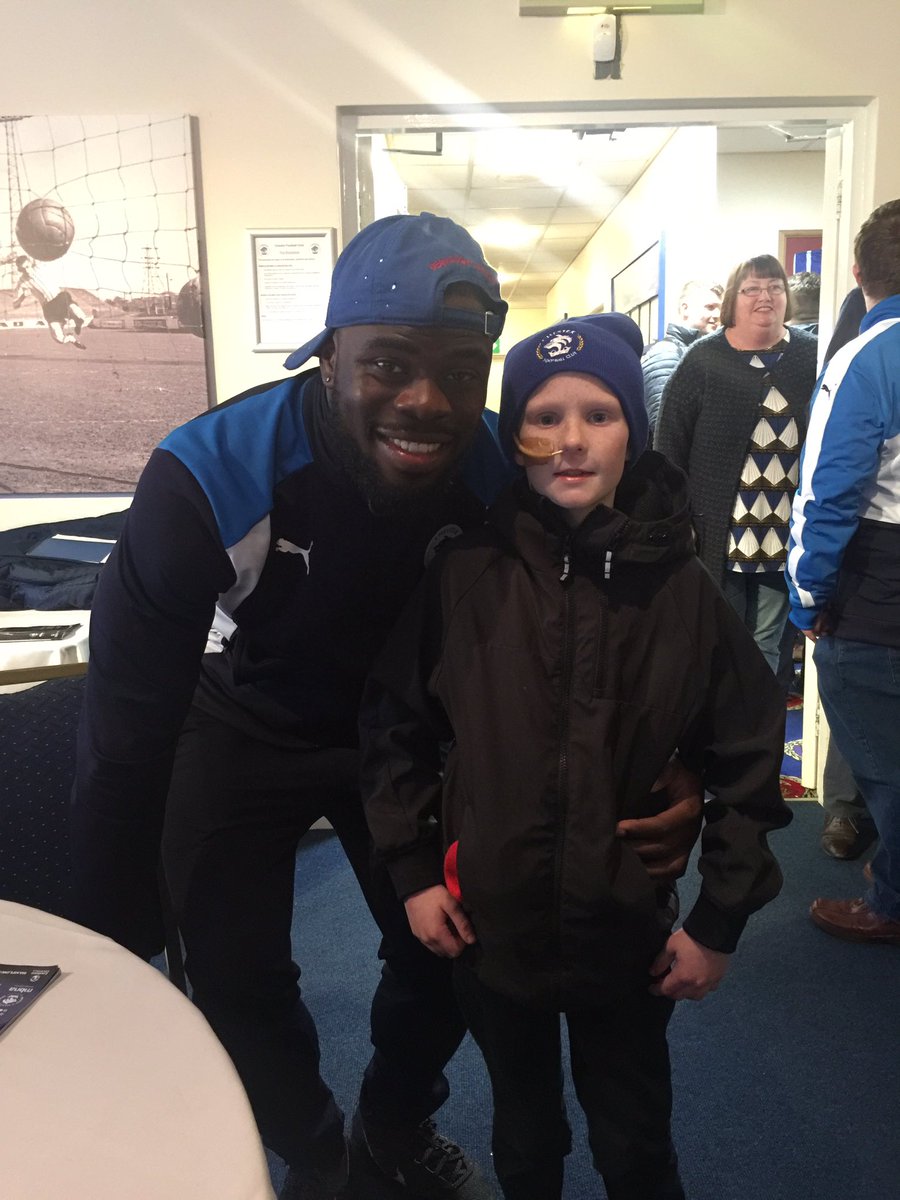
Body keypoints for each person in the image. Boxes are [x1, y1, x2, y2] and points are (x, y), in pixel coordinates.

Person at [69, 213, 704, 1200]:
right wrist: (104, 930)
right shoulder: (208, 475)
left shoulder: (503, 471)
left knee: (454, 952)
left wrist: (673, 768)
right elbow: (125, 728)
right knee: (233, 971)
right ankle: (319, 1150)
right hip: (242, 721)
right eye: (389, 364)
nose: (427, 401)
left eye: (459, 371)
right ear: (329, 358)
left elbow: (613, 622)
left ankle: (391, 1124)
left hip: (412, 735)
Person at [360, 312, 791, 1200]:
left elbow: (749, 756)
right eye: (544, 416)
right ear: (513, 437)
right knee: (524, 1139)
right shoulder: (464, 575)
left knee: (635, 1144)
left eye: (599, 414)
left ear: (633, 428)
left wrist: (718, 920)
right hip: (493, 934)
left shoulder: (684, 593)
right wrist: (413, 873)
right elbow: (394, 726)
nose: (571, 440)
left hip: (624, 936)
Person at [786, 198, 900, 945]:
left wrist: (808, 599)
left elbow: (829, 493)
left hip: (879, 593)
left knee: (888, 768)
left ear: (858, 273)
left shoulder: (868, 357)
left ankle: (892, 906)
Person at [655, 254, 818, 674]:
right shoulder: (703, 360)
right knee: (722, 639)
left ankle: (761, 715)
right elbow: (668, 447)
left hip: (784, 533)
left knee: (767, 645)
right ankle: (724, 715)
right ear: (733, 299)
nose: (765, 296)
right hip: (719, 533)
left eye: (775, 287)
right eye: (752, 289)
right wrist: (677, 520)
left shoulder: (810, 356)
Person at [640, 278, 723, 434]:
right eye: (710, 307)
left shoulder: (702, 355)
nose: (717, 315)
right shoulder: (667, 354)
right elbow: (664, 427)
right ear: (685, 309)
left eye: (720, 308)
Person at [10, 254, 92, 349]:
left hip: (60, 299)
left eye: (27, 267)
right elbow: (15, 305)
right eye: (23, 269)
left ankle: (78, 322)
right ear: (20, 270)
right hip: (49, 308)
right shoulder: (22, 282)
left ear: (30, 263)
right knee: (59, 338)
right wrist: (23, 296)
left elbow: (41, 253)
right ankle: (70, 338)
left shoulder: (39, 268)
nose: (27, 271)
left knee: (80, 315)